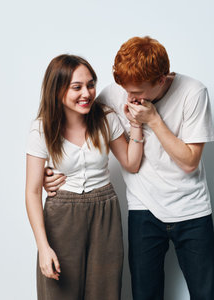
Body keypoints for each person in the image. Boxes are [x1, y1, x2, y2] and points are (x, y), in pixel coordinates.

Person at [45, 36, 214, 300]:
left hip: (192, 209)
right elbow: (75, 124)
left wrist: (153, 119)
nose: (129, 97)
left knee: (206, 294)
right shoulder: (112, 94)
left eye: (137, 92)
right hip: (143, 209)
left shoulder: (193, 93)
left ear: (161, 80)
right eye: (125, 89)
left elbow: (189, 161)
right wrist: (53, 174)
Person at [25, 54, 144, 300]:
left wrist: (137, 124)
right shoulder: (42, 128)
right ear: (57, 90)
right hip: (62, 216)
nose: (87, 93)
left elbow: (131, 163)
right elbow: (33, 192)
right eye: (76, 87)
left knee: (105, 291)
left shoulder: (105, 117)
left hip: (105, 212)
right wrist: (43, 248)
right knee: (59, 292)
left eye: (90, 85)